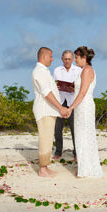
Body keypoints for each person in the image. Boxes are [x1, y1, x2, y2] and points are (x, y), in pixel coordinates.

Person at [65, 46, 103, 178]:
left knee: (84, 136)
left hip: (85, 106)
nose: (75, 60)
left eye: (76, 57)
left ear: (84, 58)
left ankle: (86, 169)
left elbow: (82, 93)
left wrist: (70, 107)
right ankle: (84, 167)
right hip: (81, 106)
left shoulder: (87, 70)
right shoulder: (84, 70)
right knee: (81, 136)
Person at [32, 47, 68, 178]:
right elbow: (46, 93)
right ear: (43, 57)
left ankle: (45, 167)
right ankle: (42, 169)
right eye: (51, 57)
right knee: (45, 139)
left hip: (49, 110)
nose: (52, 59)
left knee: (48, 140)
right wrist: (61, 107)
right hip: (44, 110)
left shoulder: (44, 71)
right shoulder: (39, 72)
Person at [53, 50, 82, 160]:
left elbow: (80, 87)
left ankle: (76, 152)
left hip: (72, 101)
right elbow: (53, 84)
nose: (67, 61)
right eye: (65, 59)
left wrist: (73, 88)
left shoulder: (78, 70)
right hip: (60, 101)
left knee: (74, 128)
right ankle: (58, 151)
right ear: (62, 59)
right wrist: (56, 87)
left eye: (69, 59)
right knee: (57, 128)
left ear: (73, 59)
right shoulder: (56, 70)